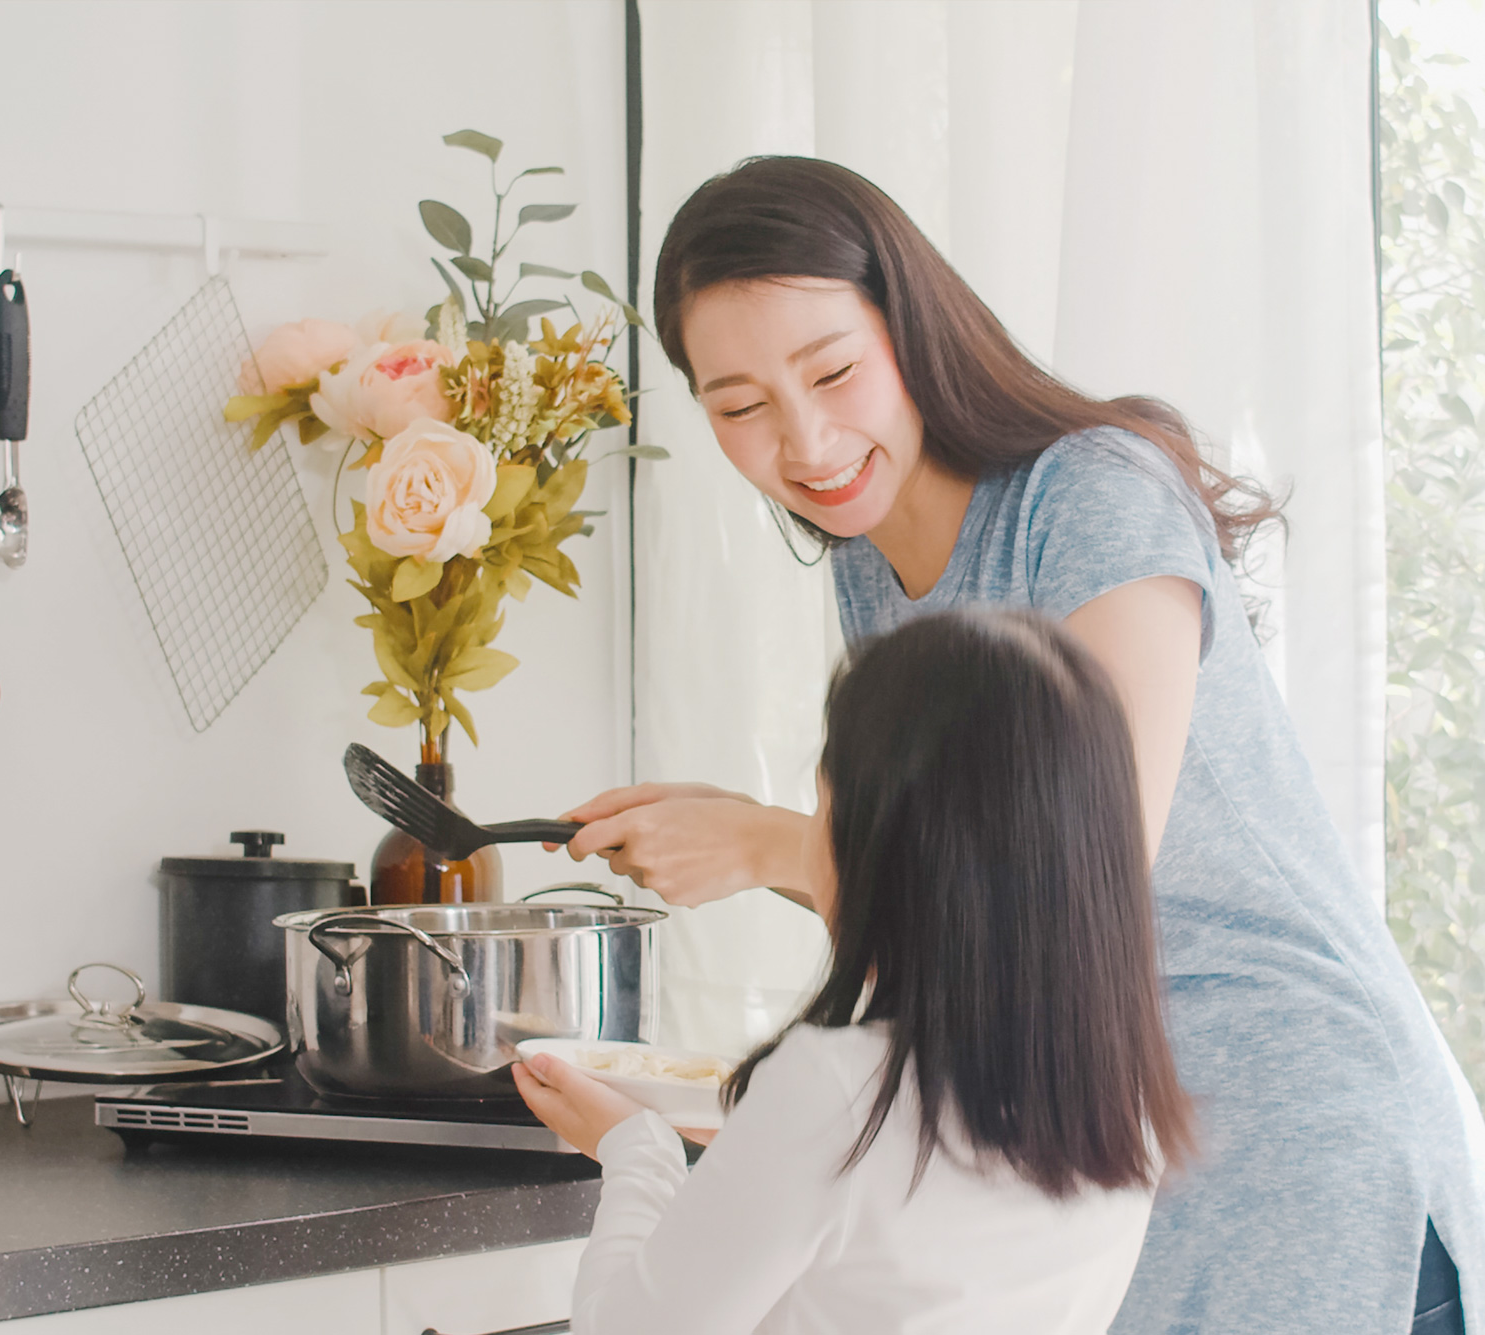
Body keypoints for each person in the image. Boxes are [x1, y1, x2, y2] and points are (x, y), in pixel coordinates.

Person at [550, 156, 1479, 1334]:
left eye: (832, 371)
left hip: (1281, 1124)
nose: (806, 440)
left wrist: (771, 844)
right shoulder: (865, 558)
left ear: (911, 326)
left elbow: (1074, 867)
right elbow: (938, 922)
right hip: (1088, 1132)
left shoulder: (1090, 497)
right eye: (739, 408)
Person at [517, 609, 1195, 1334]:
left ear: (892, 844)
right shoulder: (1126, 1097)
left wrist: (639, 1149)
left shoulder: (840, 1089)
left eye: (823, 803)